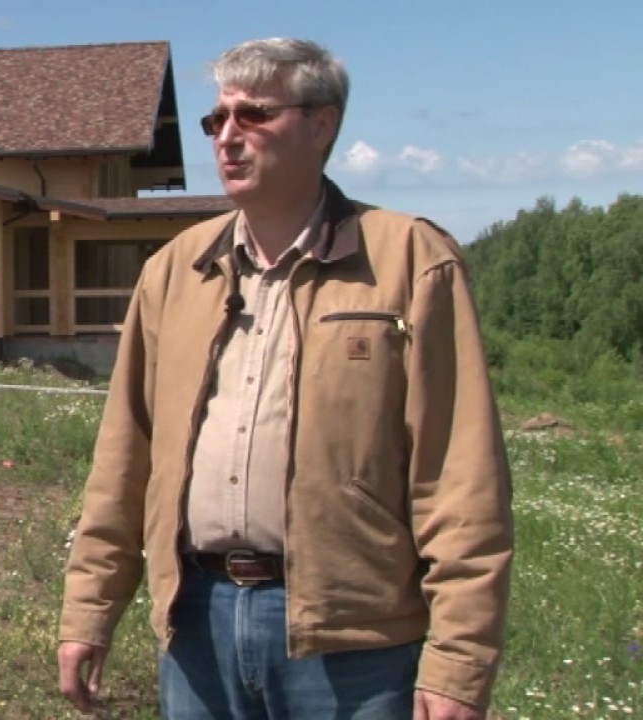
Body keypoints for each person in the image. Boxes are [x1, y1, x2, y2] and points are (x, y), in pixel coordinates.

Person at [57, 38, 513, 719]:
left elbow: (460, 475)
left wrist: (459, 663)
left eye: (254, 115)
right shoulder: (175, 271)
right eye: (217, 119)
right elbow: (125, 457)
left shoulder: (411, 261)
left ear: (322, 124)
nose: (227, 136)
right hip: (197, 624)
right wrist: (89, 611)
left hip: (353, 643)